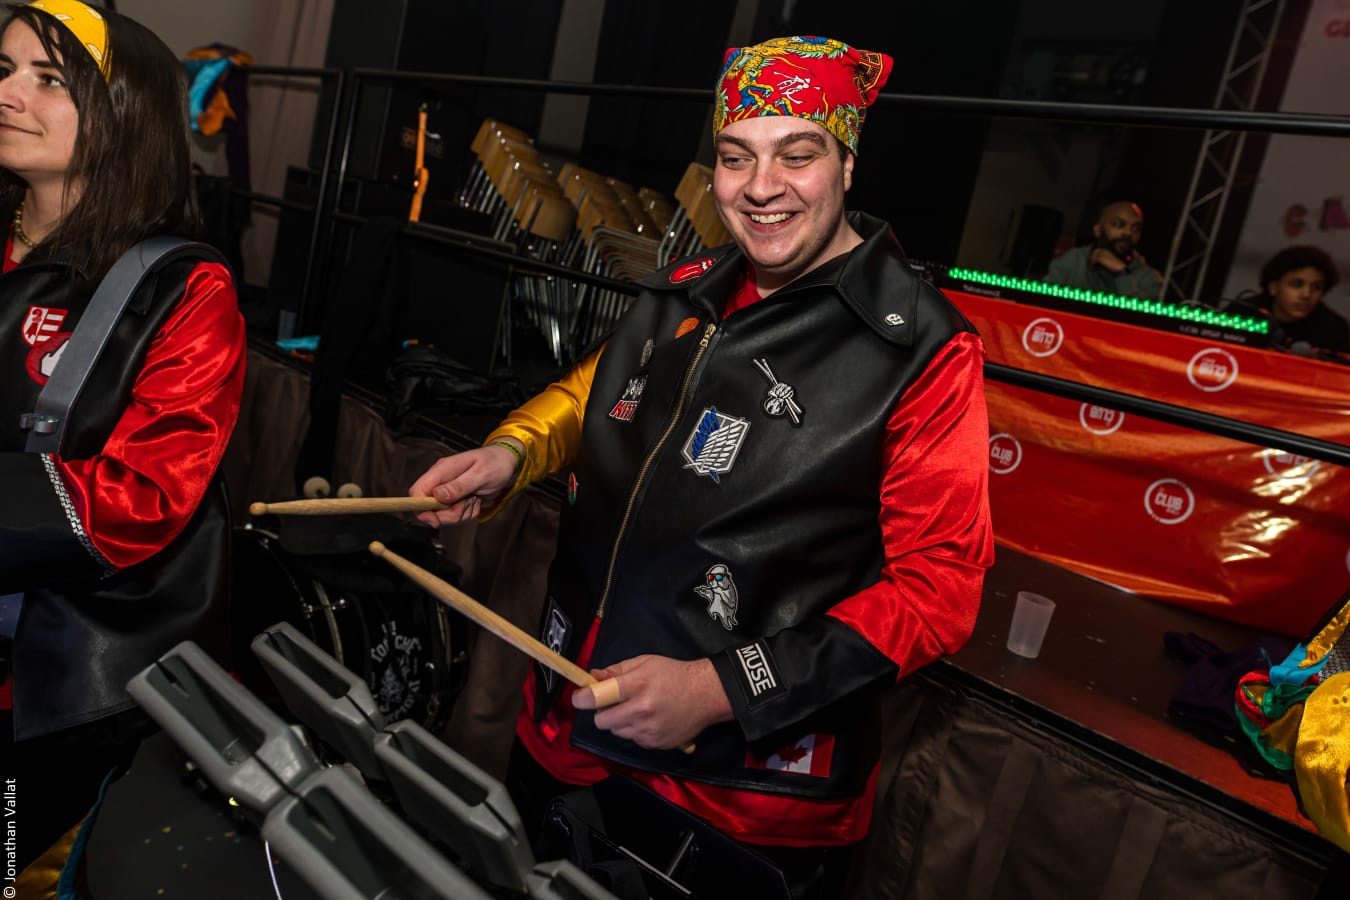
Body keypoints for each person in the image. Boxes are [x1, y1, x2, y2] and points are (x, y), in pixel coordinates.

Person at [411, 35, 992, 898]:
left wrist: (722, 688)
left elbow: (937, 590)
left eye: (797, 154)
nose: (761, 186)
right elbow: (598, 391)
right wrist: (512, 451)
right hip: (568, 725)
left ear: (846, 163)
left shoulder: (922, 351)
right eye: (735, 156)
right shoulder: (688, 287)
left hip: (731, 797)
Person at [0, 0, 245, 878]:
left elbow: (142, 499)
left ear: (122, 113)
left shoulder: (183, 288)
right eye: (4, 70)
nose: (9, 94)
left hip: (66, 682)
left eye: (49, 79)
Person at [1044, 200, 1163, 299]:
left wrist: (1122, 273)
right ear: (1098, 230)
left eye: (1136, 229)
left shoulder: (1150, 279)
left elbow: (1137, 317)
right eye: (1118, 224)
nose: (1128, 233)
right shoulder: (1073, 260)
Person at [1255, 245, 1347, 356]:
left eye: (1316, 287)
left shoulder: (1334, 329)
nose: (1306, 295)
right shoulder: (1245, 312)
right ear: (1273, 287)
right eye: (1297, 285)